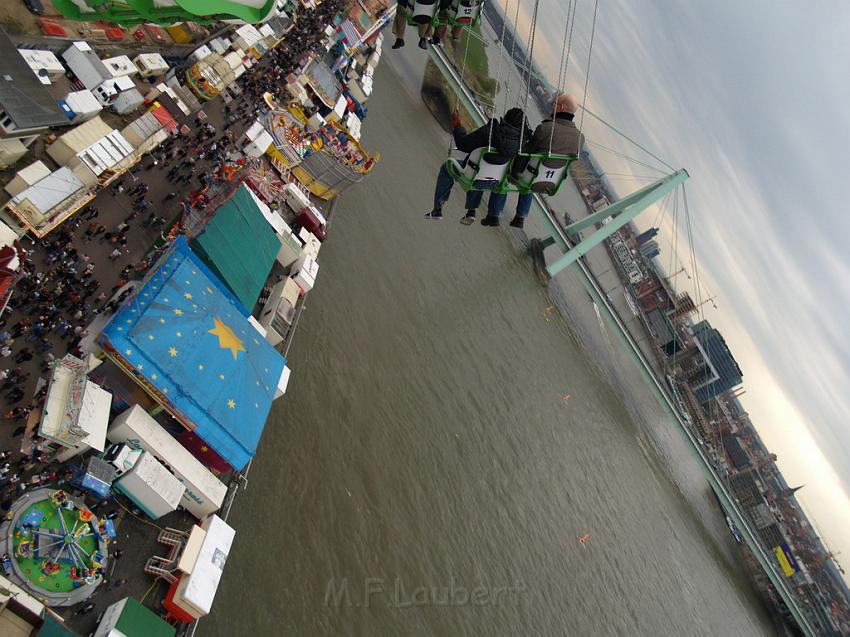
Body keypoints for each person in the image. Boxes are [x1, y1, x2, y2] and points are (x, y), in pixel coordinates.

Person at [482, 93, 585, 228]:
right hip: (550, 182)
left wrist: (513, 168)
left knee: (509, 168)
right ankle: (521, 217)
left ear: (560, 108)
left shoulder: (545, 128)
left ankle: (493, 215)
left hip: (530, 176)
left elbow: (526, 153)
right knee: (533, 176)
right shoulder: (580, 138)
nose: (551, 106)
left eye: (554, 104)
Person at [426, 108, 526, 222]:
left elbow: (463, 144)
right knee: (480, 169)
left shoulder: (490, 131)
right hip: (495, 182)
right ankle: (471, 211)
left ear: (506, 118)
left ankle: (437, 209)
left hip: (474, 175)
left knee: (448, 168)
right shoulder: (520, 145)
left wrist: (457, 124)